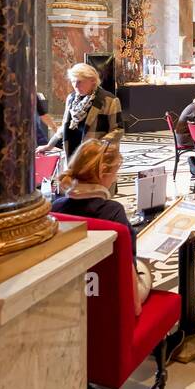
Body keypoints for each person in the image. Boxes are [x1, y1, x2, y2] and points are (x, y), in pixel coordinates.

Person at [52, 135, 147, 316]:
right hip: (109, 292)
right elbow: (126, 262)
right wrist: (135, 308)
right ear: (103, 173)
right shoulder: (112, 211)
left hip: (68, 290)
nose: (115, 178)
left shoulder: (56, 208)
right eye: (115, 172)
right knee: (144, 269)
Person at [38, 62, 122, 161]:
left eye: (79, 81)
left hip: (95, 156)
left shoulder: (109, 100)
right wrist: (49, 145)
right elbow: (65, 126)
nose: (75, 86)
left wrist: (99, 146)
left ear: (93, 81)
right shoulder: (71, 98)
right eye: (73, 81)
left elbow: (117, 130)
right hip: (72, 153)